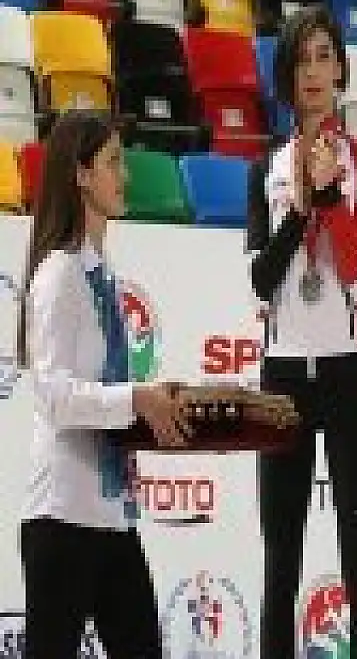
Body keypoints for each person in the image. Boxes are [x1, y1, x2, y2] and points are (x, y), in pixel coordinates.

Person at [15, 110, 189, 657]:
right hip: (62, 514)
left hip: (111, 513)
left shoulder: (102, 275)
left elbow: (100, 392)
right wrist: (136, 398)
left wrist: (152, 409)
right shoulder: (59, 274)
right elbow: (54, 395)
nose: (126, 174)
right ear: (81, 174)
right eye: (114, 162)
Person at [245, 4, 357, 657]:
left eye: (325, 55)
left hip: (347, 374)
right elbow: (261, 280)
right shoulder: (265, 170)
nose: (313, 71)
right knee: (281, 561)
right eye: (302, 58)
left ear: (341, 70)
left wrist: (330, 199)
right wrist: (300, 211)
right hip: (282, 378)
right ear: (286, 73)